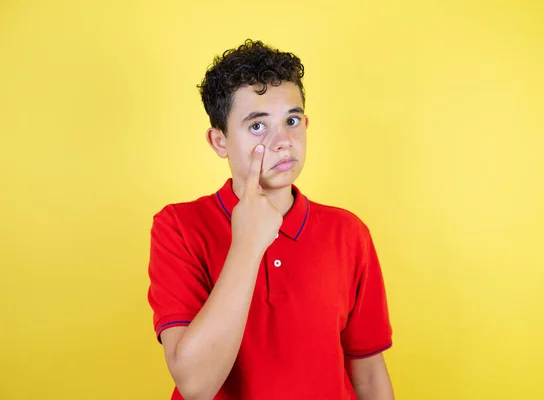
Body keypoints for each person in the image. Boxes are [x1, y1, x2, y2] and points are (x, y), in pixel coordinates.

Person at [147, 39, 394, 400]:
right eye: (258, 126)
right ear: (219, 142)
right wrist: (247, 244)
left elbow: (369, 375)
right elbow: (195, 386)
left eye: (292, 121)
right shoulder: (178, 227)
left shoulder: (349, 233)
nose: (283, 141)